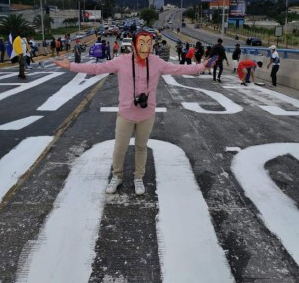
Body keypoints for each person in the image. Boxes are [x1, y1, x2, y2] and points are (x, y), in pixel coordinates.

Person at [52, 30, 216, 196]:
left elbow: (178, 69)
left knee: (141, 147)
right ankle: (117, 176)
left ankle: (139, 177)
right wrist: (71, 66)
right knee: (120, 147)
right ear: (133, 45)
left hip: (147, 113)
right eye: (142, 43)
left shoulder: (156, 62)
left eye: (148, 44)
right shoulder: (121, 61)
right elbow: (97, 68)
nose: (145, 48)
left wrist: (202, 66)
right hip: (126, 113)